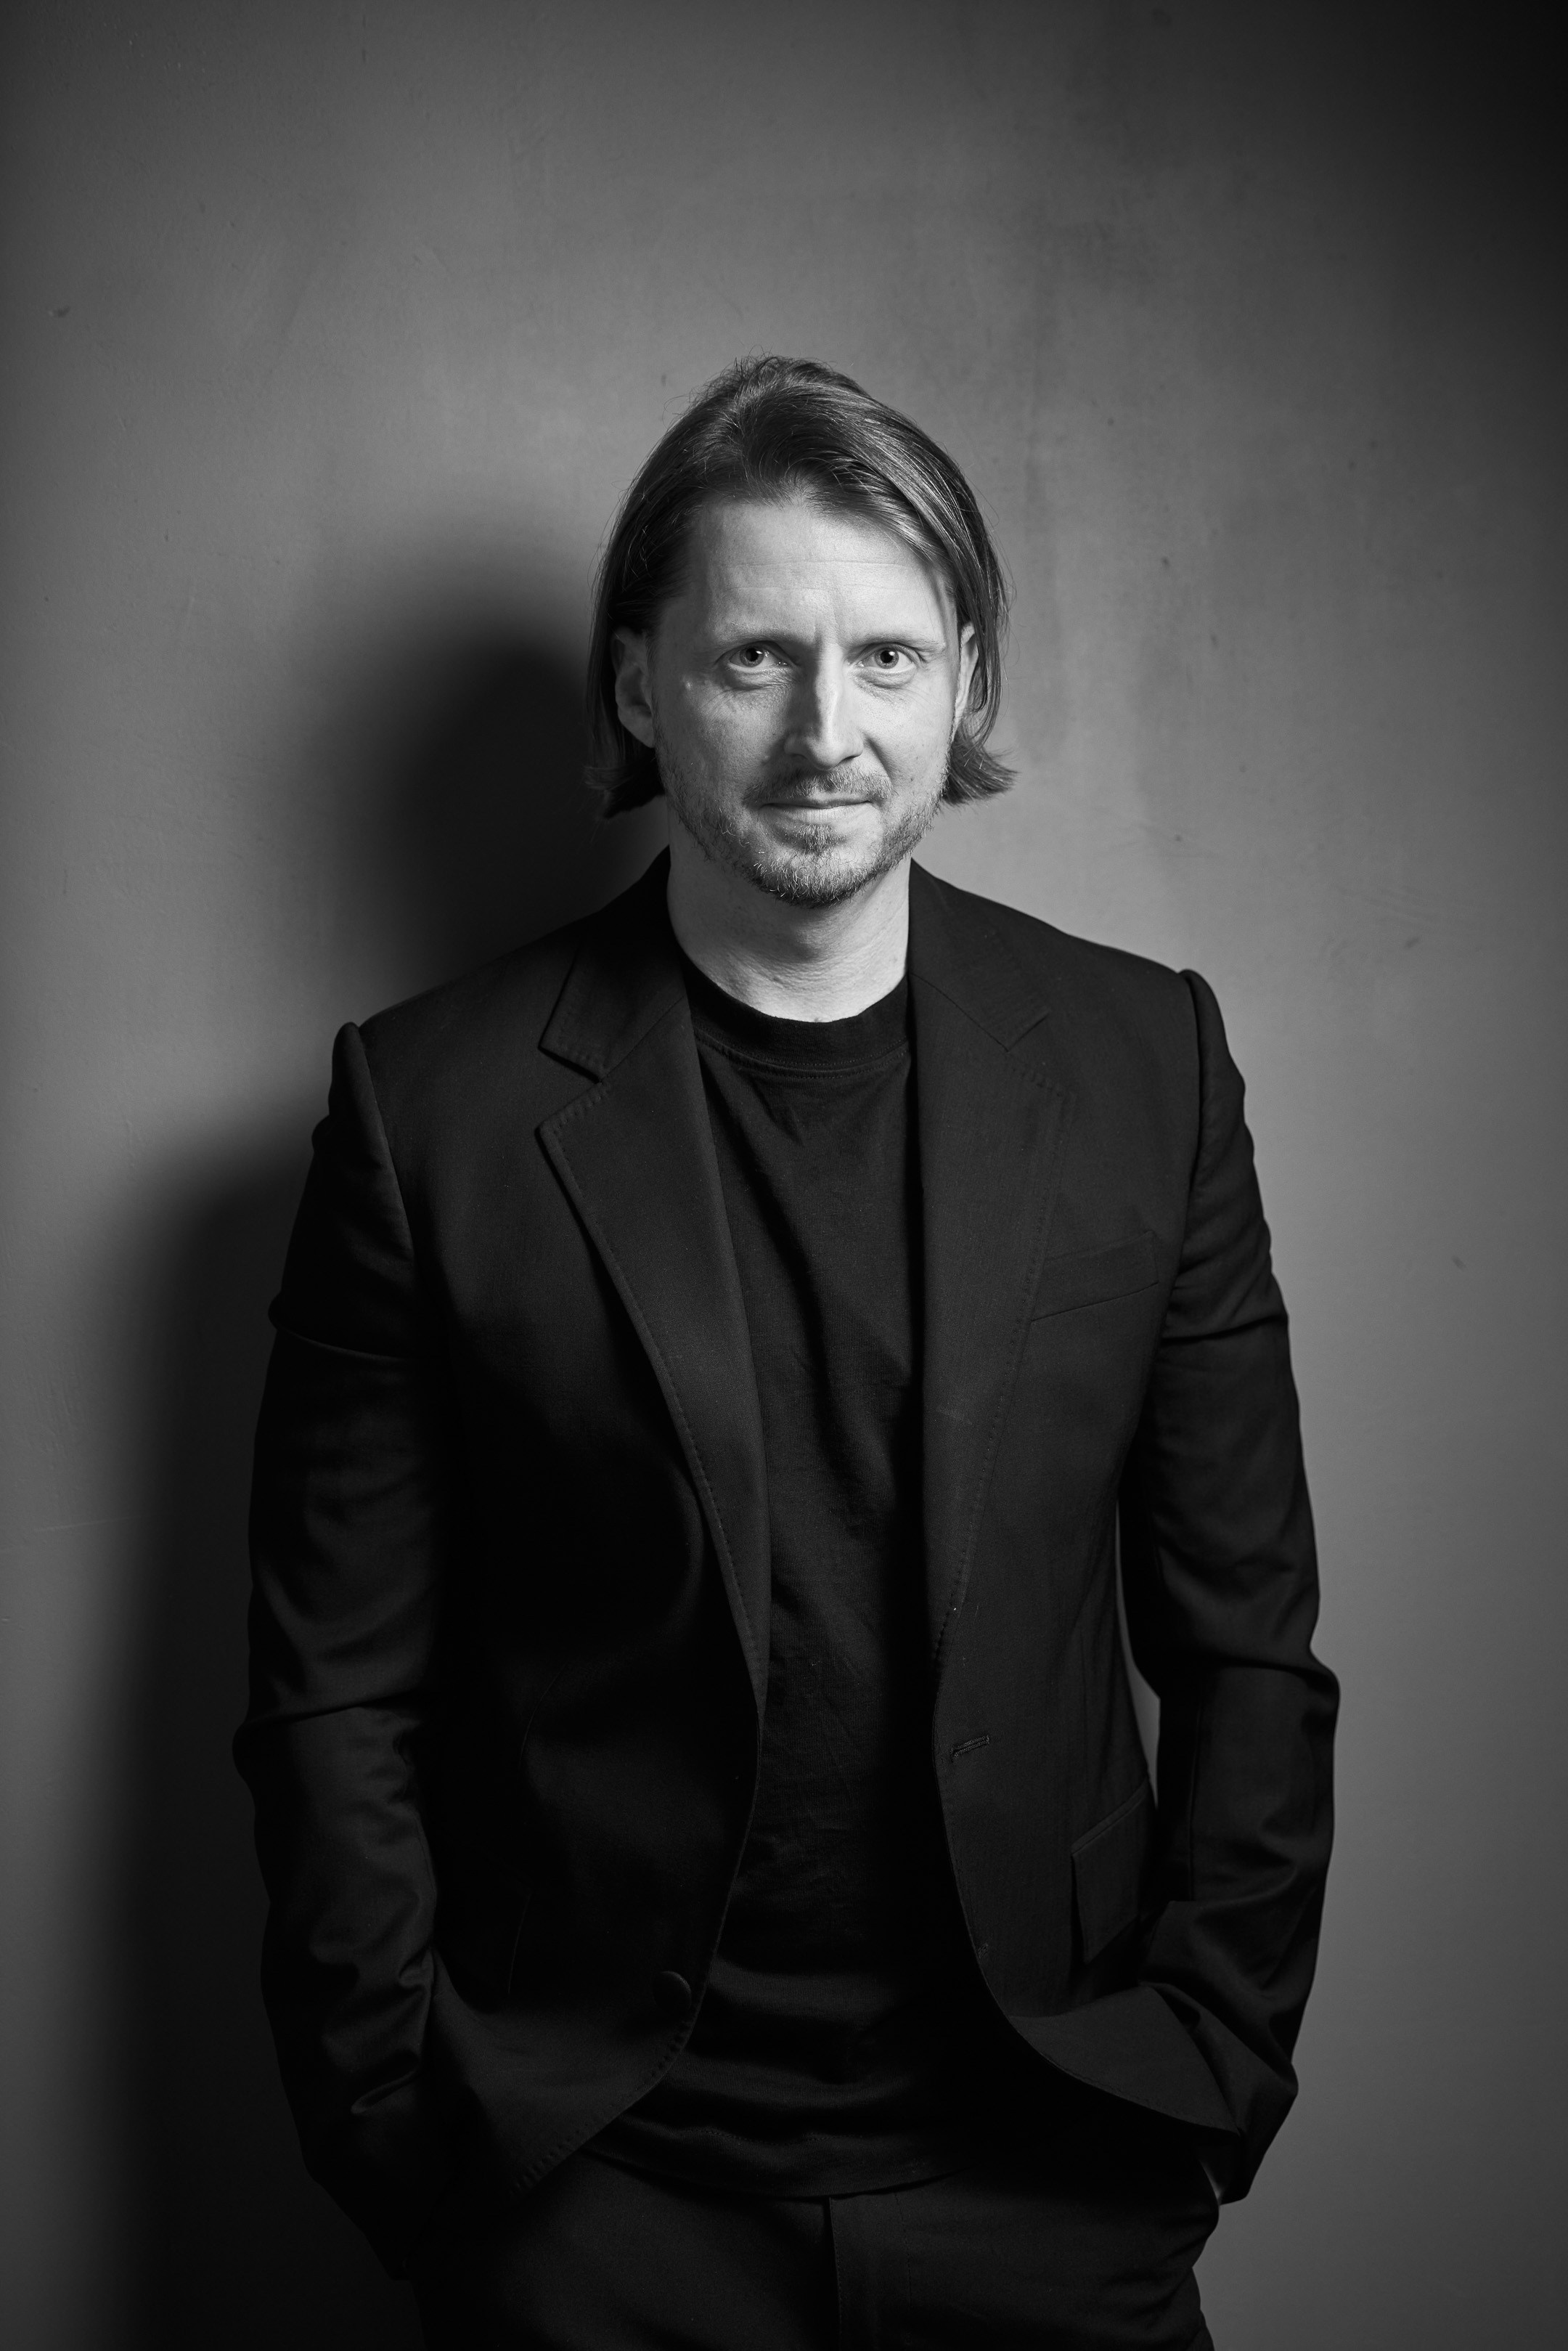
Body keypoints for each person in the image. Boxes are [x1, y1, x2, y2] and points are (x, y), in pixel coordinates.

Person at [237, 356, 1337, 2348]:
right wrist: (403, 2131)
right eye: (756, 657)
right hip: (596, 2209)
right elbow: (336, 1692)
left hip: (1051, 2174)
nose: (829, 731)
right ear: (641, 689)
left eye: (888, 657)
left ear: (964, 682)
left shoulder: (1146, 1065)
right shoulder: (428, 1113)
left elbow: (1248, 1642)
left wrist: (1211, 2061)